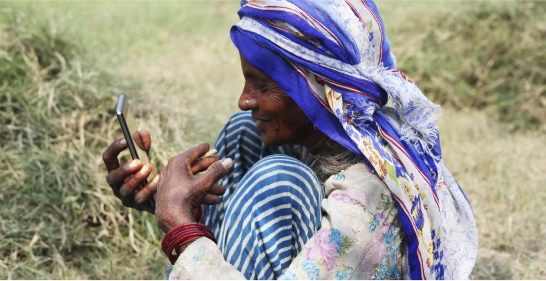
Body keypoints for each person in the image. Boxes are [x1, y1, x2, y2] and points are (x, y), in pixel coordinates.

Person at [102, 0, 478, 279]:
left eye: (262, 84)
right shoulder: (337, 133)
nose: (245, 99)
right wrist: (168, 202)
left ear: (318, 91)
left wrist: (180, 227)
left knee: (279, 180)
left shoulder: (365, 206)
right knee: (244, 130)